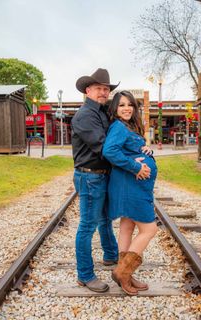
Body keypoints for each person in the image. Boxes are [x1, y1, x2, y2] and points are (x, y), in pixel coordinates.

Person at [102, 90, 158, 296]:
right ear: (115, 109)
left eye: (130, 105)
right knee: (149, 230)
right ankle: (122, 271)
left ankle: (125, 272)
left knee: (127, 227)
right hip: (130, 186)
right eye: (121, 105)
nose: (126, 108)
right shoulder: (118, 126)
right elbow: (110, 151)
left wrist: (146, 149)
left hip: (131, 186)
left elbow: (128, 149)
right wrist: (135, 166)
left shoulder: (128, 127)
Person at [71, 68, 120, 293]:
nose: (103, 92)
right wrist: (132, 162)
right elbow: (103, 147)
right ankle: (85, 275)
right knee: (88, 226)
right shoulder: (85, 115)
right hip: (90, 175)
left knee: (104, 220)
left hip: (100, 175)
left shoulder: (101, 112)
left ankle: (110, 255)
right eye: (99, 88)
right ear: (88, 90)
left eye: (106, 89)